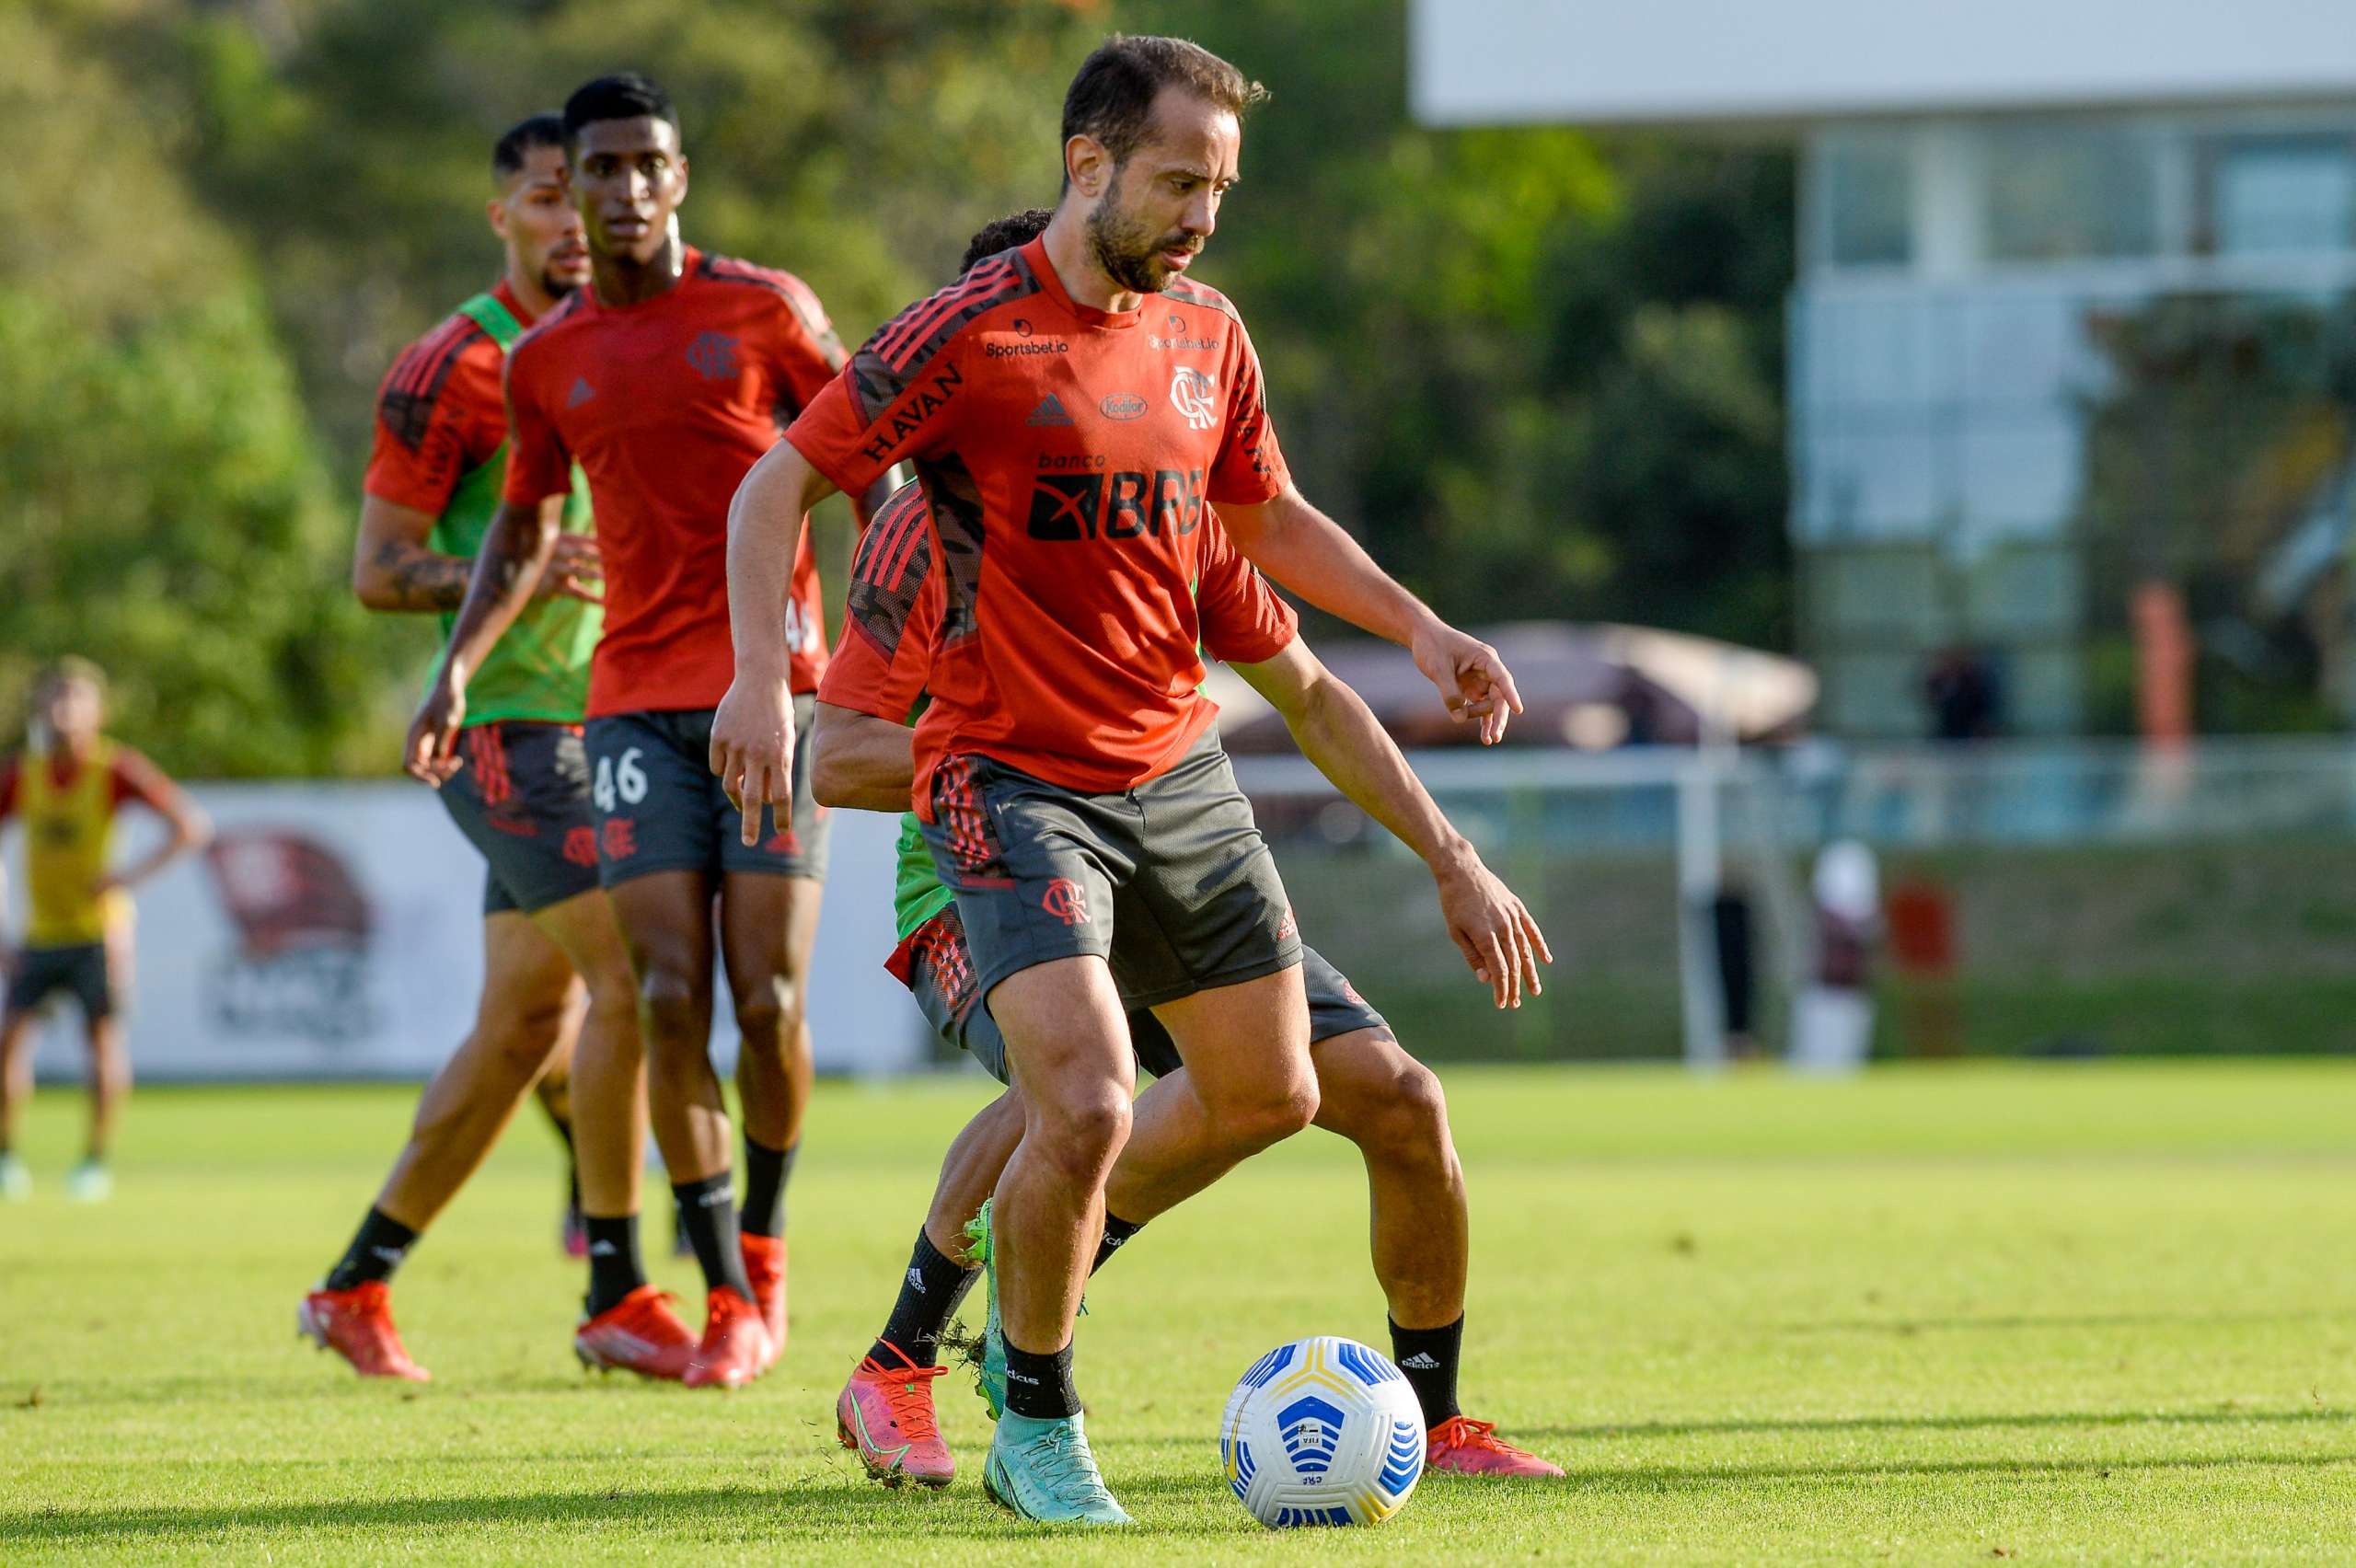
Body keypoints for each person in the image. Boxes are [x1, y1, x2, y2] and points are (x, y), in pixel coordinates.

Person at [714, 37, 1529, 1521]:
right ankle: (1034, 1415)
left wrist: (1420, 625)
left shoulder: (1208, 336)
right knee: (1081, 1095)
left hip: (1179, 777)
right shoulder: (963, 334)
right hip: (1008, 782)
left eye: (1219, 185)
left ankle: (973, 1315)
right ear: (1087, 163)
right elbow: (780, 479)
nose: (1203, 212)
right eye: (1178, 181)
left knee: (1277, 1091)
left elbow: (1268, 517)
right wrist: (761, 674)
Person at [410, 73, 884, 1389]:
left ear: (679, 181)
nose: (620, 191)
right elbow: (519, 523)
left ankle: (769, 1245)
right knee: (668, 995)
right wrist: (457, 672)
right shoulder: (546, 356)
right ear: (580, 181)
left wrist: (876, 649)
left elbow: (874, 459)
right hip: (625, 705)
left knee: (770, 997)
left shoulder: (764, 310)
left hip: (771, 695)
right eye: (599, 169)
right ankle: (727, 1287)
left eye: (644, 167)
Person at [301, 114, 653, 1383]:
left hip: (608, 722)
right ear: (500, 214)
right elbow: (378, 572)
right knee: (633, 981)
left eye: (594, 191)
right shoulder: (453, 364)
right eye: (549, 196)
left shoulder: (631, 339)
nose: (574, 218)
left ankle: (356, 1285)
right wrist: (506, 568)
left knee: (520, 1031)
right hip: (506, 731)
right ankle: (618, 1284)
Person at [0, 659, 212, 1203]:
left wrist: (127, 878)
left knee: (101, 1046)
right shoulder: (23, 775)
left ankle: (93, 1162)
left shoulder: (114, 769)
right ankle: (7, 1157)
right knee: (11, 1044)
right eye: (55, 698)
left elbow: (191, 827)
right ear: (40, 708)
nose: (64, 710)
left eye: (76, 698)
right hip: (40, 933)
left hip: (99, 933)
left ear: (97, 710)